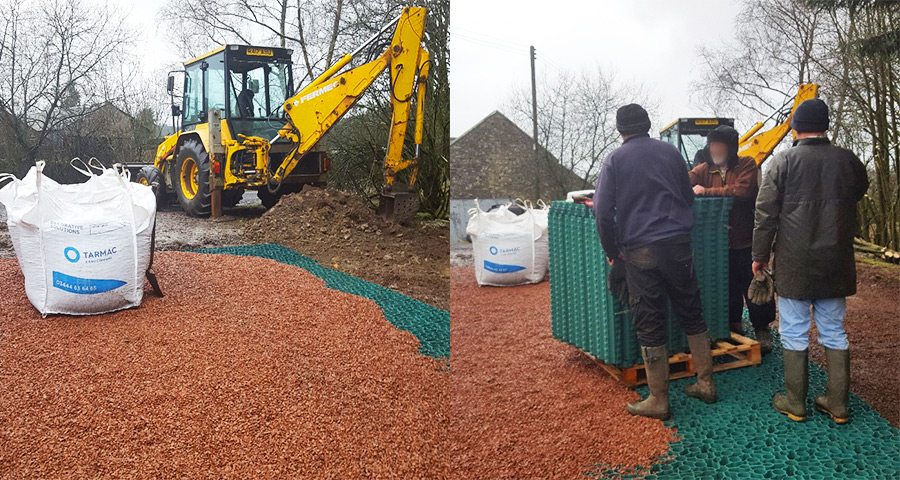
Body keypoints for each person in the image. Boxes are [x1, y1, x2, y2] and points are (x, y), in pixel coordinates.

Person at [594, 103, 718, 421]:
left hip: (640, 250)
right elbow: (688, 198)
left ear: (620, 129)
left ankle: (659, 400)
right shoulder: (670, 153)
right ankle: (705, 383)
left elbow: (603, 213)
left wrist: (612, 251)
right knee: (691, 309)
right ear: (648, 124)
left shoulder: (615, 160)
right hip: (678, 244)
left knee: (649, 319)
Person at [753, 98, 869, 424]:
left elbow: (765, 216)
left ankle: (795, 402)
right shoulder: (848, 161)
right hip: (835, 261)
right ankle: (838, 405)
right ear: (826, 126)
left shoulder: (783, 162)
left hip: (795, 262)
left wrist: (759, 257)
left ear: (795, 126)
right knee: (834, 331)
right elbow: (860, 188)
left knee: (794, 330)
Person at [689, 125, 776, 353]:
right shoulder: (702, 170)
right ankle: (732, 326)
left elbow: (743, 191)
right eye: (712, 145)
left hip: (745, 239)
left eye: (720, 145)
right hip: (717, 244)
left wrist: (706, 192)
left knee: (754, 284)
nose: (715, 149)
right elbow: (683, 182)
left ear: (731, 147)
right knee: (725, 287)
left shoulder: (746, 164)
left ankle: (762, 329)